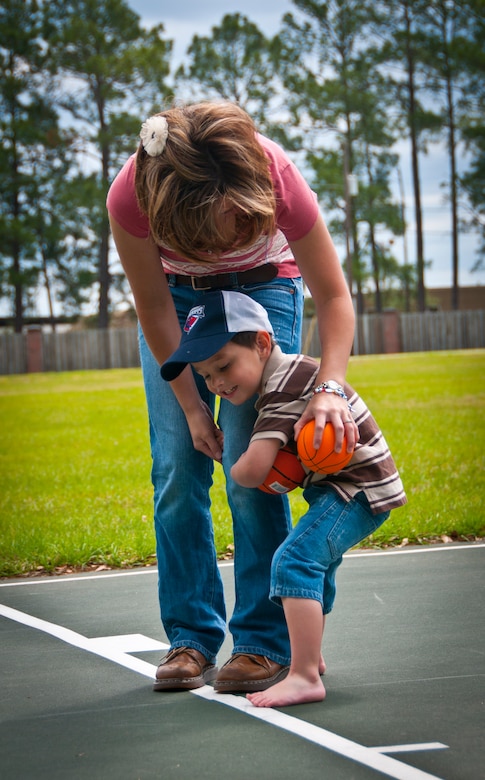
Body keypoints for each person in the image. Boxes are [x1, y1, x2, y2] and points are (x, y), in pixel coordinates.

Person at [107, 101, 359, 693]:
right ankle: (191, 637)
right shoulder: (132, 195)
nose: (225, 246)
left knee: (254, 463)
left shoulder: (277, 175)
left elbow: (335, 297)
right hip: (177, 300)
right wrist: (194, 410)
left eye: (239, 224)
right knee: (176, 467)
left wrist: (327, 389)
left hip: (265, 289)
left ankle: (263, 642)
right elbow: (152, 309)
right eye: (215, 234)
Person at [161, 290, 407, 707]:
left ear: (261, 343)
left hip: (355, 491)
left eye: (223, 366)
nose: (217, 384)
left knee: (294, 561)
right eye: (206, 377)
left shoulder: (283, 386)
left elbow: (253, 470)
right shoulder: (285, 376)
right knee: (316, 567)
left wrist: (228, 457)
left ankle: (304, 675)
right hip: (351, 488)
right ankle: (311, 656)